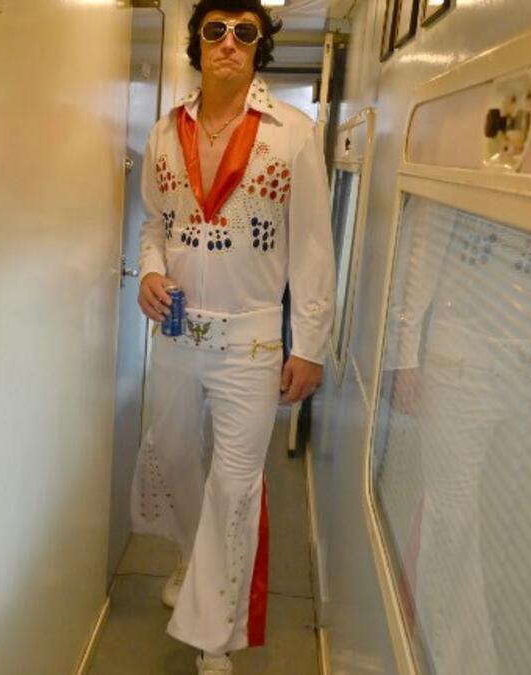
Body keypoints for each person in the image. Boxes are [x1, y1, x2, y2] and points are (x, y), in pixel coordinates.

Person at [129, 2, 333, 672]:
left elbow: (311, 250)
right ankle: (194, 557)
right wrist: (150, 272)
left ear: (259, 46)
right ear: (197, 43)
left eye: (245, 33)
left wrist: (309, 343)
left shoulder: (292, 134)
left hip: (250, 340)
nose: (228, 43)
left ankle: (214, 634)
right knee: (175, 454)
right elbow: (153, 224)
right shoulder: (166, 131)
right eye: (215, 30)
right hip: (178, 331)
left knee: (236, 482)